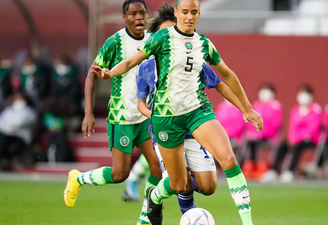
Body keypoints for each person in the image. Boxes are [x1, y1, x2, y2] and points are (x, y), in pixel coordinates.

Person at [92, 1, 263, 224]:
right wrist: (109, 73)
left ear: (199, 14)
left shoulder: (204, 44)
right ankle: (154, 197)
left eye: (194, 12)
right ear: (177, 13)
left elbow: (227, 77)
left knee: (227, 161)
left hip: (197, 112)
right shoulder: (160, 40)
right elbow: (131, 62)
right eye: (185, 12)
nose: (189, 17)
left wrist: (247, 109)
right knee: (179, 184)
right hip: (167, 119)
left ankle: (248, 222)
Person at [133, 4, 249, 223]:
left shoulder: (191, 56)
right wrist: (154, 115)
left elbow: (219, 83)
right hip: (165, 128)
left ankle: (174, 188)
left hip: (193, 128)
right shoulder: (145, 67)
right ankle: (169, 203)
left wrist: (244, 109)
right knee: (181, 183)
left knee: (209, 186)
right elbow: (140, 102)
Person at [63, 0, 163, 211]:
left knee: (157, 167)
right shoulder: (114, 42)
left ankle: (146, 216)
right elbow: (92, 76)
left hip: (145, 115)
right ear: (124, 18)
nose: (138, 18)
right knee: (119, 174)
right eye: (133, 14)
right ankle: (78, 179)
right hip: (122, 117)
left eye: (142, 13)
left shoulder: (153, 40)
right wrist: (88, 112)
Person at [262, 84, 321, 183]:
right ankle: (274, 170)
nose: (303, 96)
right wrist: (291, 138)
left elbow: (313, 128)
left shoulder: (315, 109)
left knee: (297, 146)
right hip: (296, 139)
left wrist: (298, 138)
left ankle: (290, 171)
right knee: (283, 145)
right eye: (301, 93)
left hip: (310, 139)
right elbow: (292, 127)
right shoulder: (295, 110)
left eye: (305, 94)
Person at [245, 83, 282, 179]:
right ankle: (252, 167)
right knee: (249, 142)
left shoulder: (276, 107)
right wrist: (252, 133)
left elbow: (275, 125)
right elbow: (250, 122)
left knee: (255, 142)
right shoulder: (255, 105)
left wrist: (260, 134)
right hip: (256, 137)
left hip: (269, 138)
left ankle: (272, 169)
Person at [0, 92, 36, 170]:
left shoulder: (29, 112)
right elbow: (1, 123)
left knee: (7, 141)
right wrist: (9, 128)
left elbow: (20, 122)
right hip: (6, 135)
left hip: (21, 137)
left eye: (20, 98)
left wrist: (10, 126)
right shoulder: (8, 111)